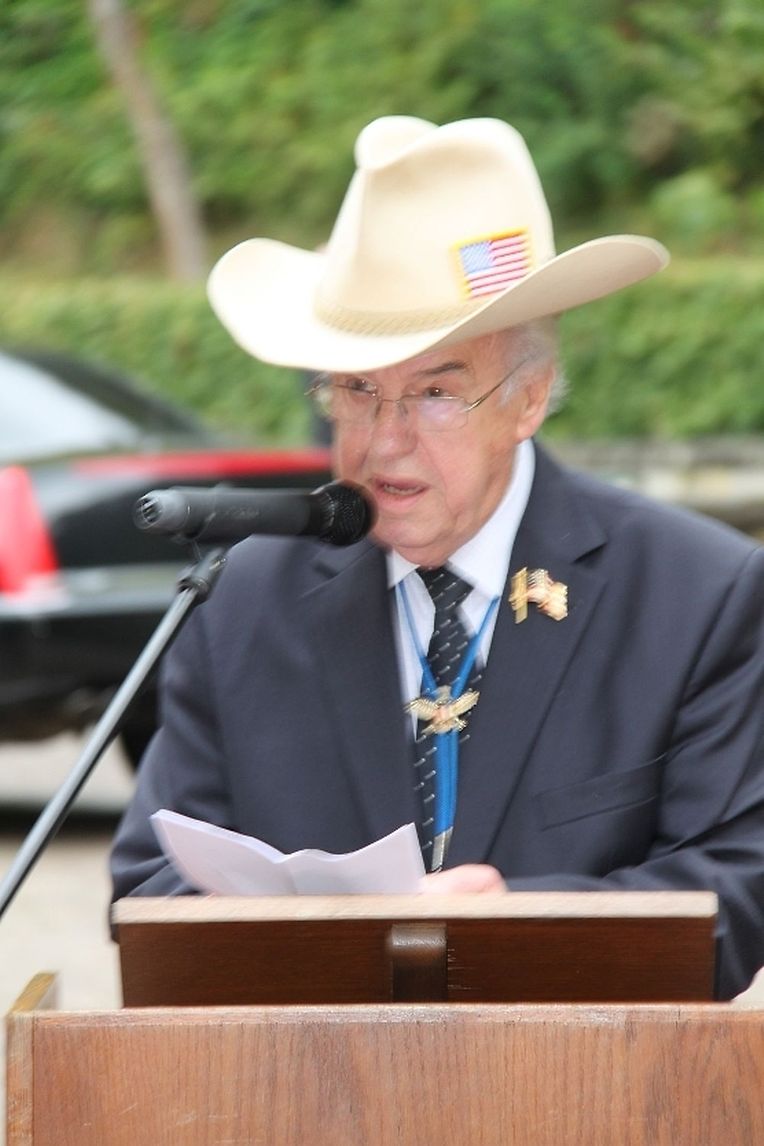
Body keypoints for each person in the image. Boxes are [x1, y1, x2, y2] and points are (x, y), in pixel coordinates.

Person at [110, 115, 764, 999]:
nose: (385, 442)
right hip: (308, 1081)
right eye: (357, 391)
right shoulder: (239, 601)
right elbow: (149, 889)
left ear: (529, 398)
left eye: (434, 394)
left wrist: (518, 926)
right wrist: (330, 946)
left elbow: (737, 891)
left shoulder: (695, 594)